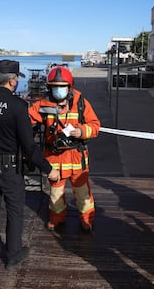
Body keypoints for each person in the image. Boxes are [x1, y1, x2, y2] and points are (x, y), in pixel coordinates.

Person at [0, 59, 60, 273]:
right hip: (9, 167)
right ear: (12, 81)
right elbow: (29, 147)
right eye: (16, 78)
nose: (17, 82)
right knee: (14, 210)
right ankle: (13, 256)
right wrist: (49, 169)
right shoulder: (18, 106)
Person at [28, 65, 100, 232]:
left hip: (76, 158)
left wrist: (81, 131)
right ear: (49, 87)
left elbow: (95, 126)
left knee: (83, 194)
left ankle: (87, 220)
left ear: (70, 87)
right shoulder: (42, 104)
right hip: (54, 157)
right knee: (55, 194)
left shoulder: (81, 103)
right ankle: (57, 218)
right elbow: (27, 120)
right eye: (55, 87)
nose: (58, 90)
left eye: (62, 87)